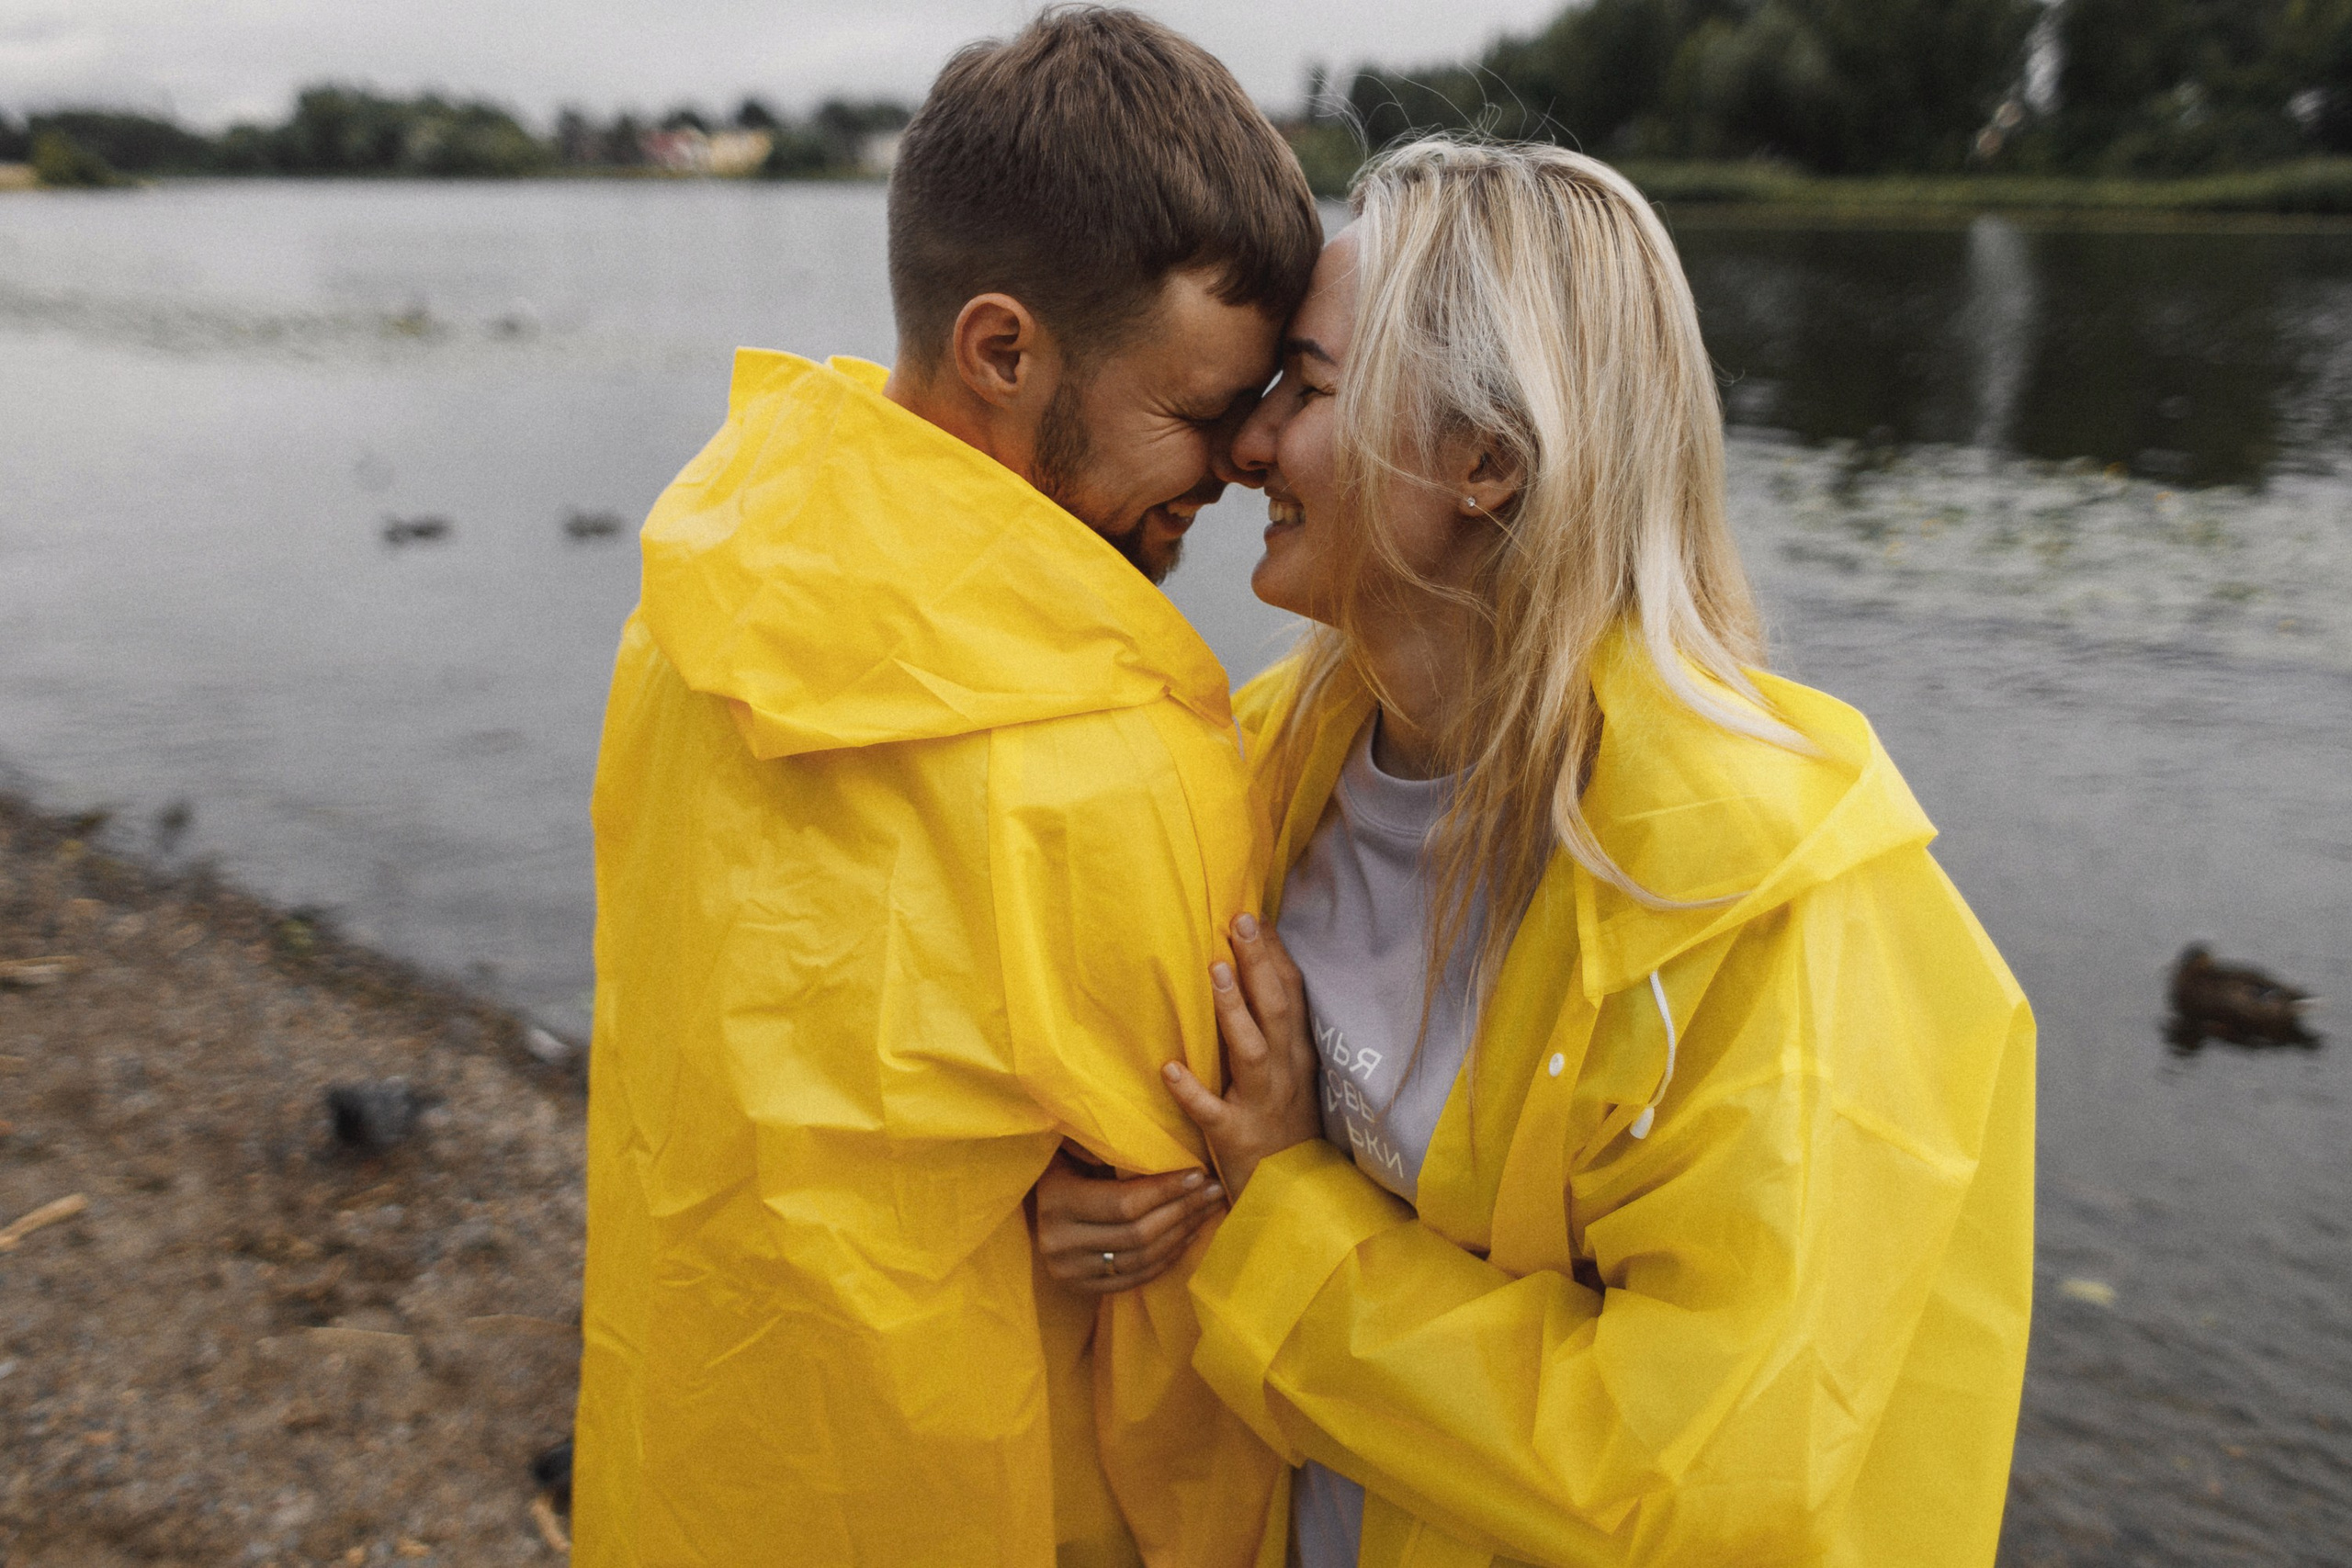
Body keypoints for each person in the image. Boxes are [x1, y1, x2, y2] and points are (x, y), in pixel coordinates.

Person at [1047, 139, 2036, 1566]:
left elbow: (1690, 1479)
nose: (1246, 439)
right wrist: (1086, 1219)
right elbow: (1125, 1130)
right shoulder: (1251, 766)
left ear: (1486, 466)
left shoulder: (1752, 898)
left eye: (1312, 388)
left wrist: (1281, 1216)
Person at [571, 10, 1319, 1565]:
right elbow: (1190, 1263)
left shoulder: (700, 606)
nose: (1244, 459)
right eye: (1197, 410)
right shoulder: (1097, 752)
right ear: (1002, 349)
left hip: (703, 1471)